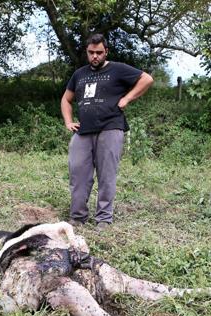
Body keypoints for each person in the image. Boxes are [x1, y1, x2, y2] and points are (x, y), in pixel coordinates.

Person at [61, 33, 154, 230]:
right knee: (77, 173)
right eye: (91, 53)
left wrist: (127, 99)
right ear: (86, 52)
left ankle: (103, 219)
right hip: (83, 131)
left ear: (106, 52)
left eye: (99, 53)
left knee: (107, 175)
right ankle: (77, 217)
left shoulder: (118, 69)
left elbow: (146, 79)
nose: (95, 56)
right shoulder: (79, 74)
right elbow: (66, 99)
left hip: (110, 128)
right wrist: (68, 121)